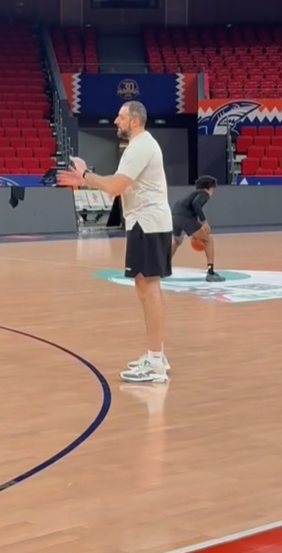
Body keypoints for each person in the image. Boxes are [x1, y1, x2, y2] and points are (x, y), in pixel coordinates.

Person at [58, 101, 172, 384]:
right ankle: (156, 355)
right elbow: (118, 183)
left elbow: (114, 187)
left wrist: (84, 175)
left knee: (149, 289)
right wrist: (86, 177)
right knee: (145, 287)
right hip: (145, 222)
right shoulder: (139, 146)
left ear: (134, 120)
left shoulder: (140, 146)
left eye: (120, 116)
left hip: (147, 223)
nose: (115, 120)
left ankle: (155, 362)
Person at [171, 175, 225, 282]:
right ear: (209, 187)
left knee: (177, 241)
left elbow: (189, 209)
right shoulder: (204, 194)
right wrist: (204, 222)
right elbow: (196, 204)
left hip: (175, 217)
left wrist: (198, 225)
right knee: (208, 240)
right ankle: (210, 272)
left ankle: (164, 267)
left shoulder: (191, 194)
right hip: (185, 218)